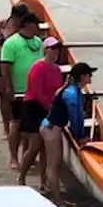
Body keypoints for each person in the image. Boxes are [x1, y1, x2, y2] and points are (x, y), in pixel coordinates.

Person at [40, 62, 96, 207]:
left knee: (54, 165)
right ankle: (58, 202)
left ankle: (57, 198)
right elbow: (75, 119)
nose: (91, 76)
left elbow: (77, 117)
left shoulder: (73, 89)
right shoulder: (72, 94)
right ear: (83, 76)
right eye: (89, 74)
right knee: (54, 166)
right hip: (51, 129)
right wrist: (81, 138)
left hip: (53, 127)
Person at [0, 13, 44, 170]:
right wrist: (9, 86)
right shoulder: (11, 43)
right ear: (27, 25)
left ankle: (27, 156)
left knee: (31, 126)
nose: (38, 27)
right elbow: (5, 66)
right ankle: (13, 157)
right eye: (35, 24)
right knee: (16, 123)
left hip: (35, 91)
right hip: (19, 89)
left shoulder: (38, 42)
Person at [17, 37, 63, 187]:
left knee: (45, 146)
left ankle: (43, 181)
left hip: (48, 108)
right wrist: (51, 109)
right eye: (52, 49)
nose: (55, 52)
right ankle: (22, 176)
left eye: (57, 49)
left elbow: (57, 91)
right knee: (35, 145)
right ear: (45, 50)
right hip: (33, 107)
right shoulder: (37, 67)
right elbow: (37, 93)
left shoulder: (57, 69)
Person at [0, 3, 30, 139]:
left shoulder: (23, 29)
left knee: (18, 94)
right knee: (4, 95)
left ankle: (17, 126)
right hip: (0, 59)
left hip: (17, 60)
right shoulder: (2, 25)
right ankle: (6, 127)